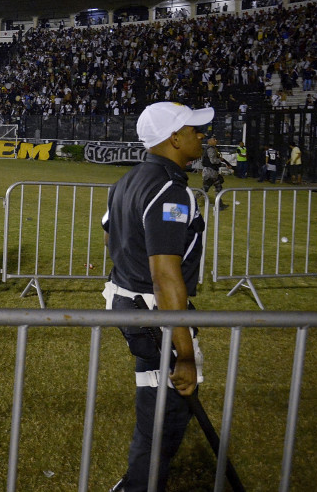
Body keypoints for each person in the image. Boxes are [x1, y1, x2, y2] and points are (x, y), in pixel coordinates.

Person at [102, 102, 208, 492]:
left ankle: (137, 482)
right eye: (195, 130)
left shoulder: (126, 180)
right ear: (174, 138)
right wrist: (184, 353)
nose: (202, 136)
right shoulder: (170, 190)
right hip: (153, 314)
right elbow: (165, 276)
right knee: (165, 418)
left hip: (129, 304)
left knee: (156, 406)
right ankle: (137, 486)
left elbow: (112, 237)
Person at [201, 136, 231, 209]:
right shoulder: (211, 149)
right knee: (206, 188)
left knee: (217, 187)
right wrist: (220, 161)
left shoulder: (211, 148)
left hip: (211, 171)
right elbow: (213, 161)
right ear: (209, 141)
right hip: (210, 171)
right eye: (214, 140)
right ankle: (193, 200)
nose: (216, 141)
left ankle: (219, 205)